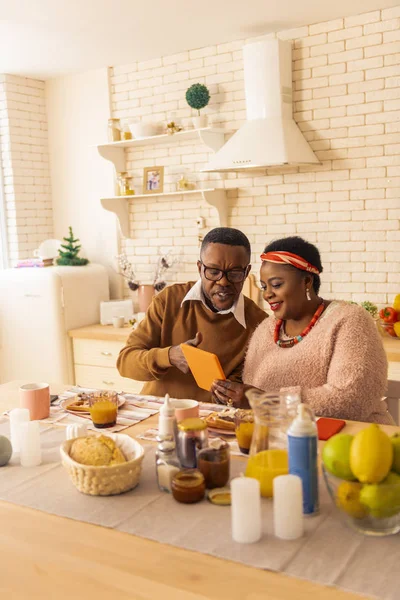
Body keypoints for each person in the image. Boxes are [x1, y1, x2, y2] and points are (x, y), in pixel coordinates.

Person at [211, 236, 392, 424]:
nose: (267, 294)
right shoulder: (266, 329)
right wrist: (233, 397)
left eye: (276, 284)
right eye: (264, 286)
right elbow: (254, 395)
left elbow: (351, 401)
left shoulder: (350, 321)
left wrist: (267, 402)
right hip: (284, 441)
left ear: (306, 281)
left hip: (354, 442)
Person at [117, 227, 267, 402]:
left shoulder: (258, 324)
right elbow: (125, 363)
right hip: (157, 414)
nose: (223, 281)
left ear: (246, 273)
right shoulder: (168, 300)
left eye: (234, 274)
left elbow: (253, 388)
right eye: (213, 272)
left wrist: (239, 396)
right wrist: (169, 356)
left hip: (212, 421)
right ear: (200, 268)